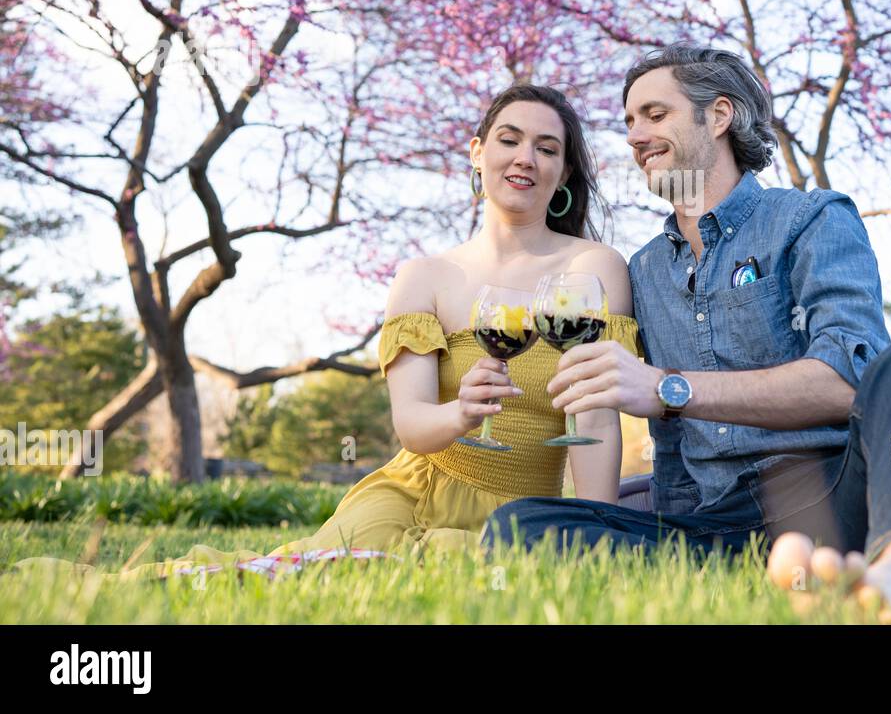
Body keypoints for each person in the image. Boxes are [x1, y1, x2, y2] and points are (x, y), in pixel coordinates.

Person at [9, 84, 641, 582]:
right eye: (509, 139)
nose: (526, 157)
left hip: (524, 509)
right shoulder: (426, 277)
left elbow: (597, 421)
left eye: (547, 148)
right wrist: (460, 413)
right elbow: (413, 426)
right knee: (314, 577)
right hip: (415, 489)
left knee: (471, 576)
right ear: (478, 152)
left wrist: (598, 530)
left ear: (563, 173)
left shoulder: (591, 271)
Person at [481, 43, 891, 624]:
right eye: (628, 122)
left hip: (837, 496)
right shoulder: (644, 269)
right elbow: (670, 447)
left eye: (654, 114)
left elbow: (849, 379)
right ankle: (806, 579)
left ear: (718, 116)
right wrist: (652, 516)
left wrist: (670, 387)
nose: (634, 137)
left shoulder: (811, 219)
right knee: (521, 525)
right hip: (717, 528)